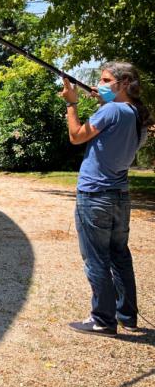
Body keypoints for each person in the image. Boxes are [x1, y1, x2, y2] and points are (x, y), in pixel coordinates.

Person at [60, 61, 151, 337]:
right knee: (119, 255)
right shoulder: (137, 113)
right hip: (120, 195)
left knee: (96, 258)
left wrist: (71, 104)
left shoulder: (111, 110)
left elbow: (76, 136)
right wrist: (103, 100)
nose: (100, 84)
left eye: (106, 79)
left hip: (95, 194)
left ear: (124, 84)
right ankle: (127, 315)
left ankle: (102, 320)